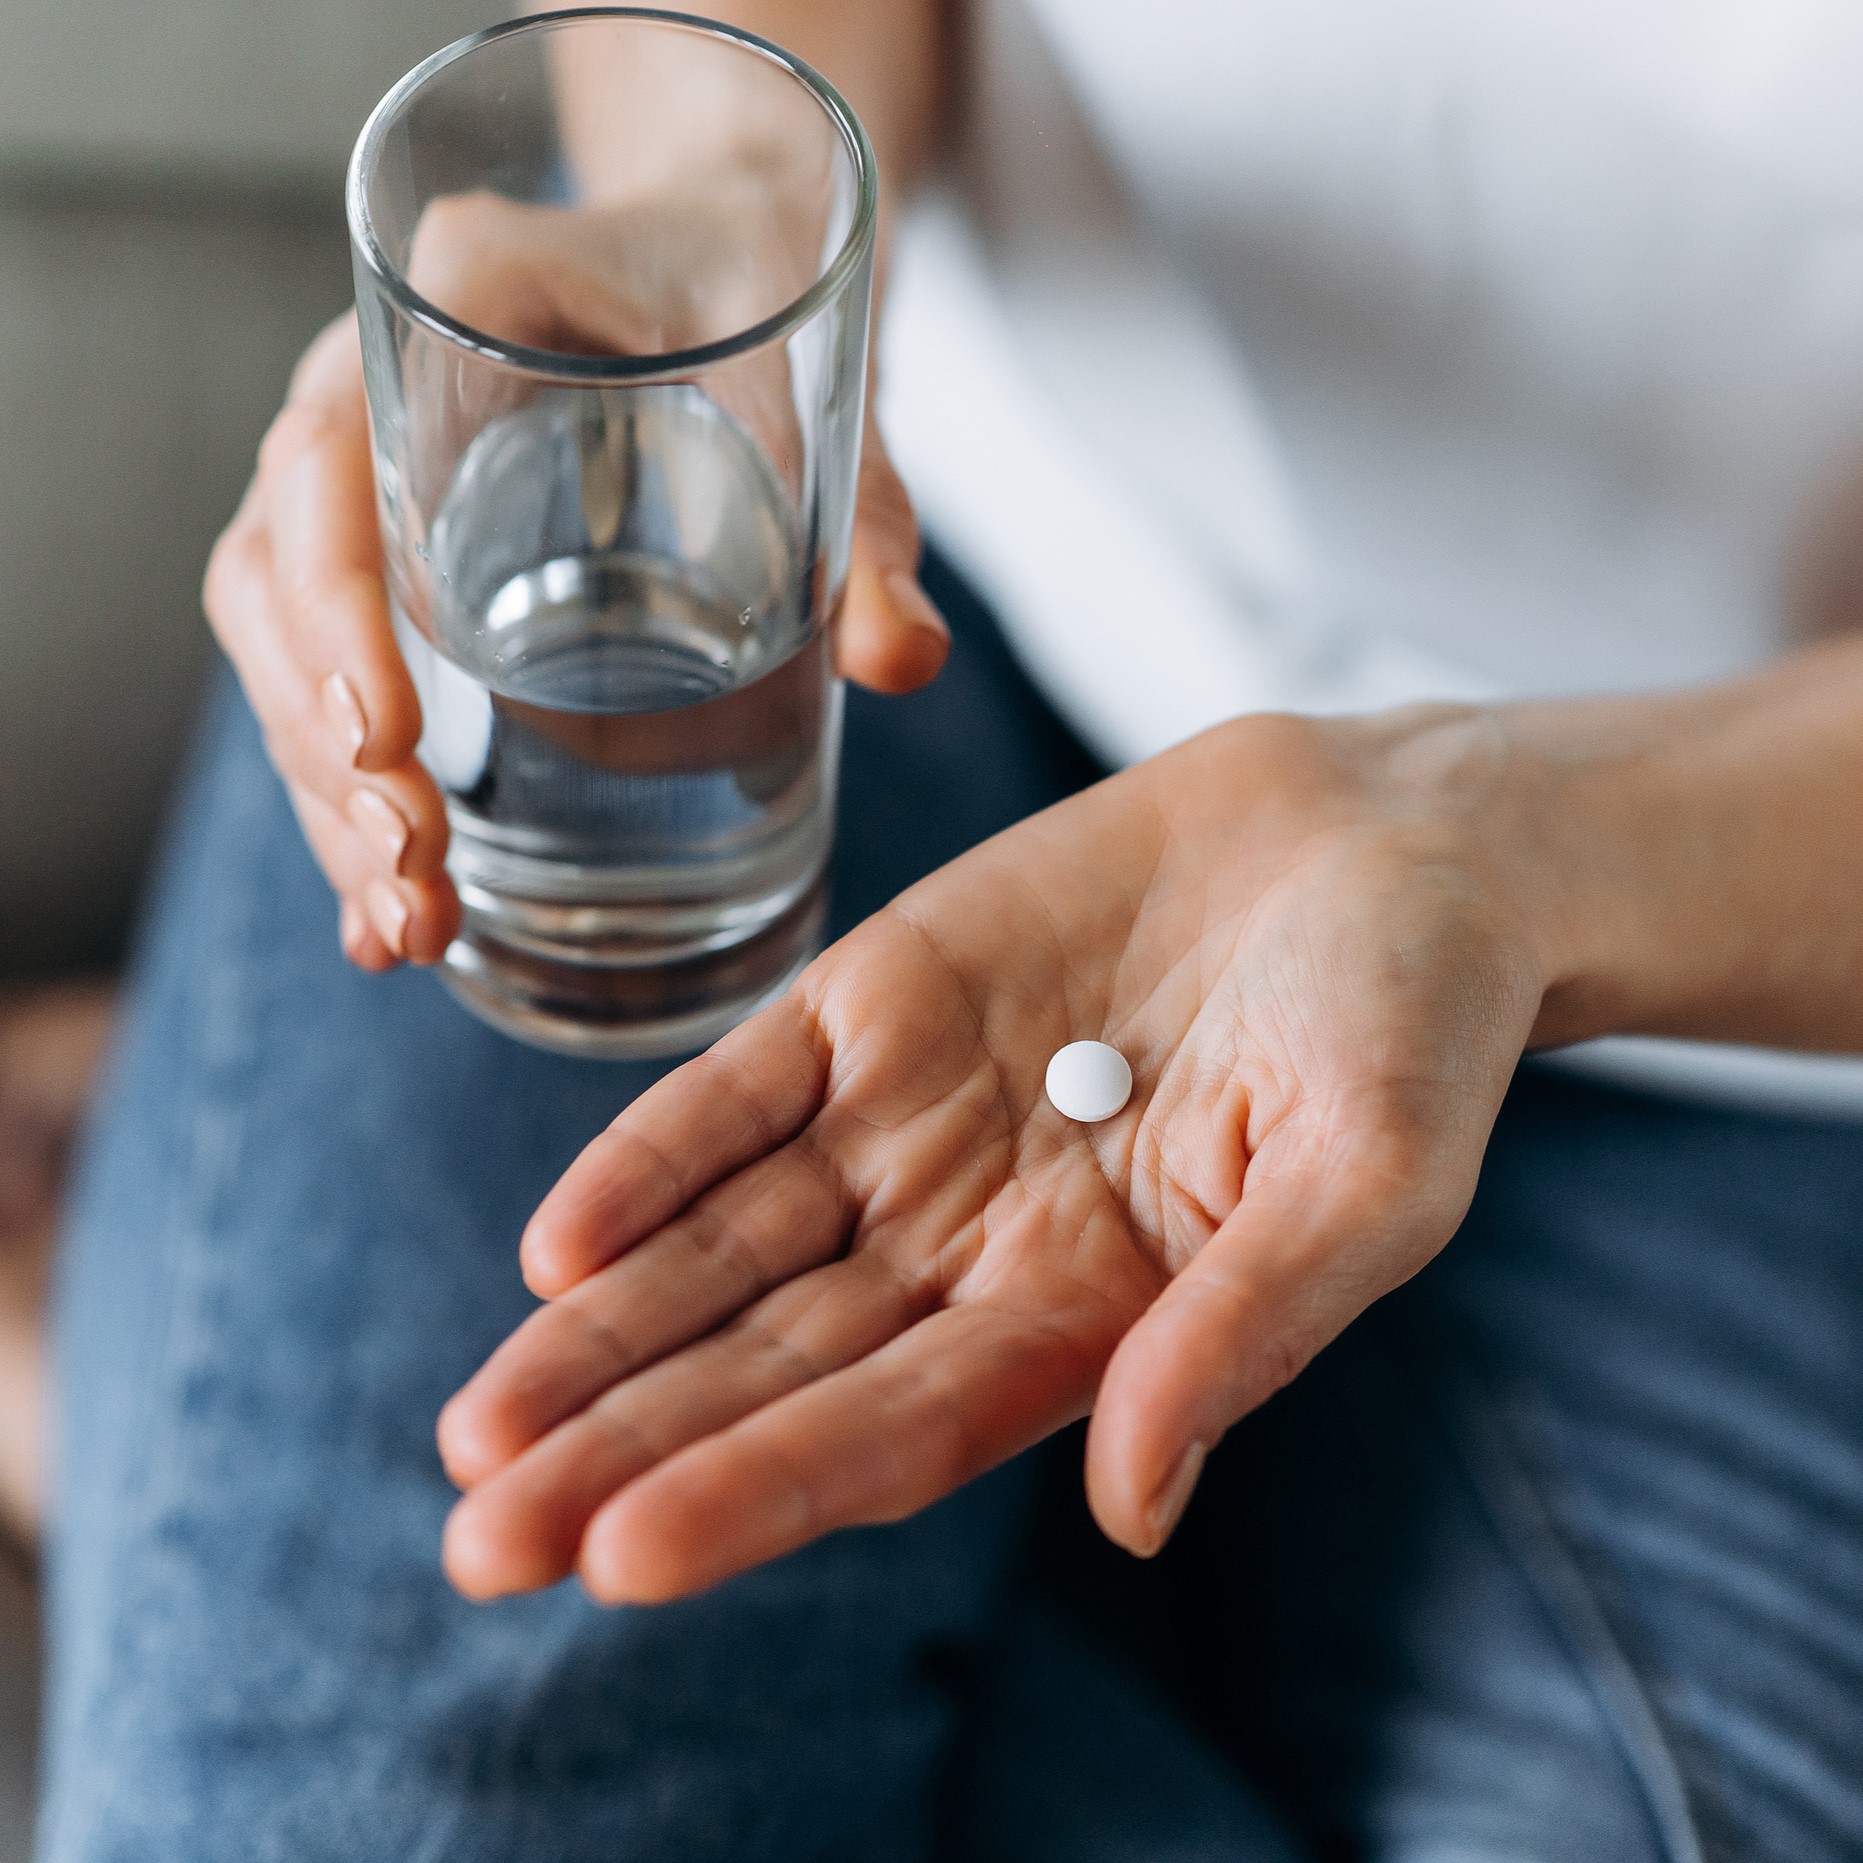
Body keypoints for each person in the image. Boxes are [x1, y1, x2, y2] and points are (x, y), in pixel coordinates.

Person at [39, 2, 1863, 1858]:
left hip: (1754, 934)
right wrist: (732, 196)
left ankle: (118, 1336)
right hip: (874, 569)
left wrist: (1507, 836)